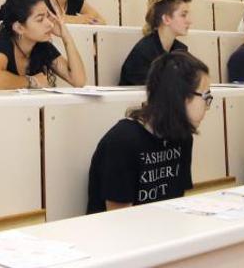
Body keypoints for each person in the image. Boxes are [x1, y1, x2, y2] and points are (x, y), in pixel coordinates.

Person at [87, 51, 210, 213]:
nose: (208, 106)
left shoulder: (182, 136)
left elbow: (178, 201)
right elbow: (118, 221)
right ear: (180, 96)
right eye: (206, 97)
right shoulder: (122, 141)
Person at [0, 0, 86, 90]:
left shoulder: (42, 45)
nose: (50, 24)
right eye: (40, 19)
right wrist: (32, 81)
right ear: (19, 27)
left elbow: (78, 81)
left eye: (47, 16)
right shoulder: (2, 43)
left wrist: (67, 38)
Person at [119, 0, 192, 86]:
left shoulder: (181, 50)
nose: (190, 21)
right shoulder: (143, 53)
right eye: (183, 15)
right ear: (166, 19)